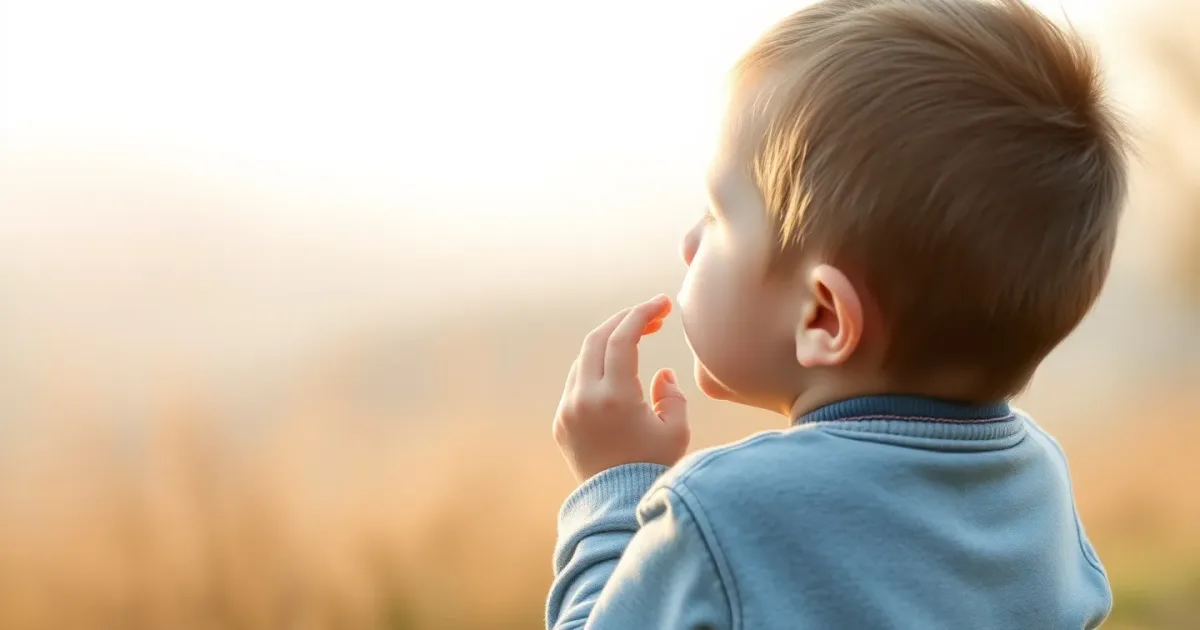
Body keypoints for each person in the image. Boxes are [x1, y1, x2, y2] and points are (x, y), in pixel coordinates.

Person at [545, 0, 1128, 628]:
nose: (689, 242)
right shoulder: (1038, 482)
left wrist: (616, 486)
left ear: (823, 317)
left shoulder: (717, 517)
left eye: (718, 216)